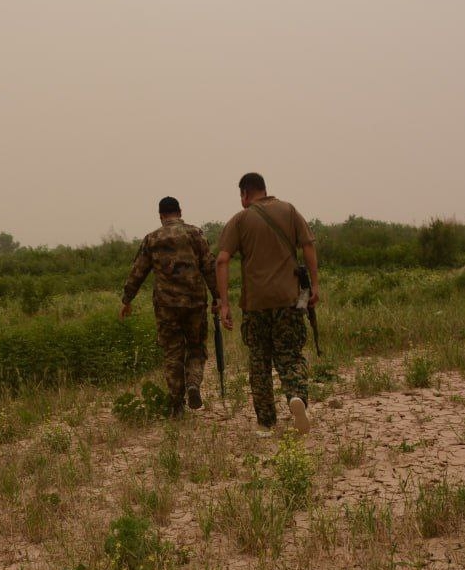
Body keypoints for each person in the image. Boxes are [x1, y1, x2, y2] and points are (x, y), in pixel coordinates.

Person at [215, 173, 320, 433]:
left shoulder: (240, 220)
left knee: (259, 362)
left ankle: (265, 422)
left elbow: (222, 261)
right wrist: (314, 286)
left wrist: (225, 304)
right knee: (291, 355)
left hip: (255, 305)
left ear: (244, 194)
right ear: (264, 189)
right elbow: (308, 246)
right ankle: (296, 397)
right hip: (289, 300)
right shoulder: (289, 210)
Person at [120, 196, 219, 415]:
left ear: (160, 215)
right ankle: (193, 383)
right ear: (180, 212)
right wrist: (218, 298)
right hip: (195, 303)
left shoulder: (152, 239)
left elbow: (138, 271)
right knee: (196, 348)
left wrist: (127, 300)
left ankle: (176, 404)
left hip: (166, 306)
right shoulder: (195, 234)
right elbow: (209, 267)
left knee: (172, 353)